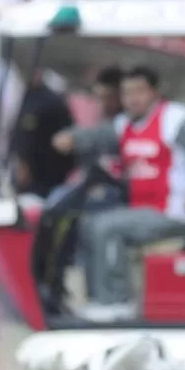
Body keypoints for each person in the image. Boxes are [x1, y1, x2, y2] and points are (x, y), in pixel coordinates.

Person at [55, 66, 185, 320]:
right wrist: (72, 138)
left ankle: (117, 302)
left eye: (139, 91)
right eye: (127, 93)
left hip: (173, 212)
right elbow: (98, 136)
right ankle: (98, 299)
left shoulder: (174, 119)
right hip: (142, 212)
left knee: (106, 227)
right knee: (87, 224)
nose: (132, 99)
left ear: (154, 92)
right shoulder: (125, 124)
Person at [36, 66, 126, 315]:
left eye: (110, 96)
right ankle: (54, 285)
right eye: (100, 97)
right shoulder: (112, 122)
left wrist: (74, 138)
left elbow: (98, 136)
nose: (104, 103)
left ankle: (98, 296)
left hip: (123, 196)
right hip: (98, 192)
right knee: (58, 209)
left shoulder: (126, 124)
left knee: (85, 221)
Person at [9, 70, 75, 198]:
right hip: (45, 173)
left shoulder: (43, 101)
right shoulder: (40, 98)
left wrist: (23, 162)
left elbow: (27, 136)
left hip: (42, 173)